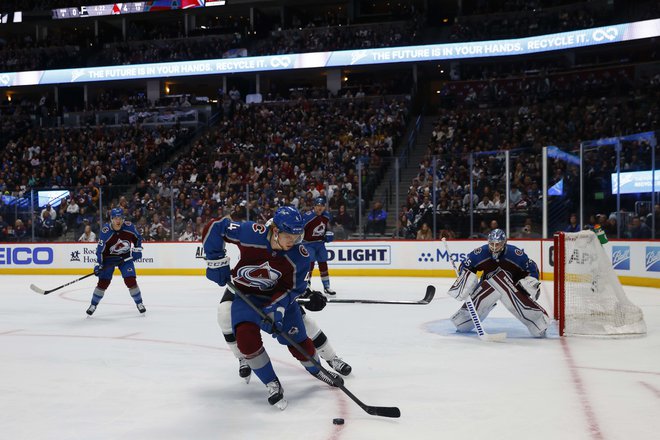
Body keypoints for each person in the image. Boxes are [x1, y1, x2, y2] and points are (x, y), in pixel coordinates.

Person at [203, 206, 345, 410]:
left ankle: (317, 369)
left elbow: (294, 289)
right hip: (247, 295)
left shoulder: (300, 255)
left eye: (297, 236)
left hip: (278, 298)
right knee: (245, 338)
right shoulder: (252, 233)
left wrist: (276, 309)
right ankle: (271, 382)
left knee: (297, 338)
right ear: (275, 230)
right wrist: (216, 261)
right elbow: (216, 226)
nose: (293, 241)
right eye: (289, 236)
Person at [447, 229, 549, 337]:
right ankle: (463, 322)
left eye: (498, 244)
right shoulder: (480, 253)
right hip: (487, 287)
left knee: (500, 279)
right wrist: (466, 281)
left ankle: (538, 322)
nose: (494, 247)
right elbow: (465, 266)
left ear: (504, 242)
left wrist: (531, 282)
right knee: (462, 325)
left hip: (512, 289)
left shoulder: (514, 254)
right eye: (492, 244)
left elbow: (532, 268)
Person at [86, 208, 145, 316]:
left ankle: (139, 303)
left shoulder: (129, 227)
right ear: (111, 219)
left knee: (130, 280)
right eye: (115, 218)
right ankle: (93, 304)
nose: (118, 221)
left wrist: (137, 249)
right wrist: (98, 264)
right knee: (103, 283)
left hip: (125, 258)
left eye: (120, 218)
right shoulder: (105, 232)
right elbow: (100, 251)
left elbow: (138, 238)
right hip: (109, 259)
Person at [302, 196, 336, 295]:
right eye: (318, 205)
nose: (319, 208)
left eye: (322, 206)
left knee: (323, 263)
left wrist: (326, 235)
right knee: (309, 265)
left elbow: (325, 229)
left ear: (325, 207)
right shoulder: (308, 216)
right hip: (308, 244)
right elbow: (300, 230)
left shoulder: (326, 216)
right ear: (314, 206)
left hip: (320, 244)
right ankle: (306, 285)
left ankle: (327, 287)